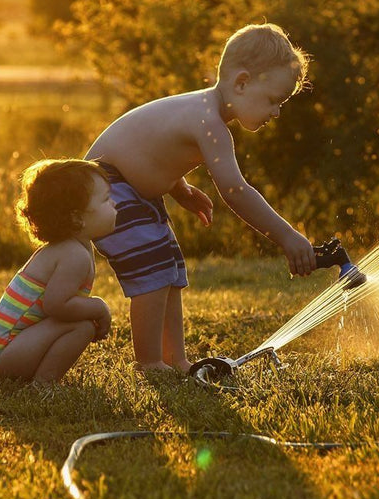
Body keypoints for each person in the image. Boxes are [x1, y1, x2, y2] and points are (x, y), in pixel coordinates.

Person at [85, 23, 317, 373]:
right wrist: (286, 236)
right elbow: (236, 192)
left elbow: (153, 147)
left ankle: (174, 360)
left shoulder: (204, 111)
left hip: (126, 185)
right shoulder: (209, 122)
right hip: (105, 185)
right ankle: (149, 362)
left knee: (170, 266)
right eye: (273, 101)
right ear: (241, 83)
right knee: (153, 264)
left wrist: (180, 189)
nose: (276, 113)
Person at [0, 159, 116, 383]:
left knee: (81, 323)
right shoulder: (73, 255)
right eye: (106, 199)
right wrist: (99, 307)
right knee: (82, 326)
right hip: (5, 354)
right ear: (76, 218)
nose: (114, 204)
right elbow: (56, 305)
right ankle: (44, 384)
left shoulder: (73, 248)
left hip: (8, 350)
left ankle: (39, 379)